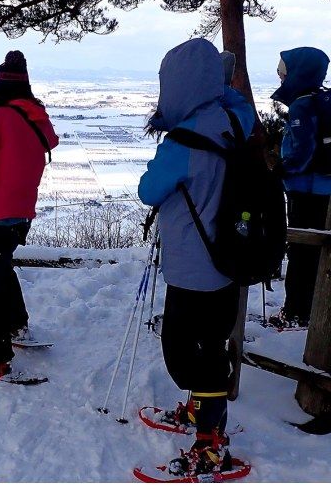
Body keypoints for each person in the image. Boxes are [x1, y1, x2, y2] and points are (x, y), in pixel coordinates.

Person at [138, 39, 255, 477]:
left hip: (191, 268)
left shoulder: (181, 142)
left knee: (187, 355)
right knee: (211, 344)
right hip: (229, 259)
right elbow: (239, 100)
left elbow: (148, 190)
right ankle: (200, 414)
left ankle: (210, 446)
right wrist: (220, 82)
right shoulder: (233, 120)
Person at [0, 50, 59, 377]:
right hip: (21, 217)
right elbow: (50, 142)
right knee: (2, 267)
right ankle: (17, 326)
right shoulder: (36, 117)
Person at [270, 47, 331, 327]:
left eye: (284, 71)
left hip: (304, 190)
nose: (281, 76)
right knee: (316, 252)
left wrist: (283, 167)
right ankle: (310, 309)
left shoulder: (301, 105)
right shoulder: (320, 100)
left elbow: (304, 149)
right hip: (323, 189)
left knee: (300, 251)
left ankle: (295, 312)